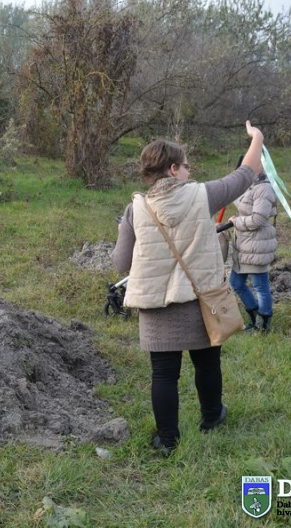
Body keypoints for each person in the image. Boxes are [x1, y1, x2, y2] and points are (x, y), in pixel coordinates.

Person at [111, 121, 264, 456]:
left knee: (164, 375)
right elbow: (247, 172)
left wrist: (128, 230)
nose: (189, 170)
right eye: (185, 165)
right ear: (172, 169)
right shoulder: (203, 195)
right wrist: (257, 138)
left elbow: (121, 263)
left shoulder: (135, 208)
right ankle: (212, 417)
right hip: (201, 301)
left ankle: (167, 440)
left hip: (155, 306)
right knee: (207, 364)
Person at [228, 168, 277, 333]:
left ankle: (263, 326)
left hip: (257, 246)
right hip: (244, 245)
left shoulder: (264, 188)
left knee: (260, 287)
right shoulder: (251, 185)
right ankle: (255, 318)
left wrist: (236, 221)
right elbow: (241, 203)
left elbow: (257, 220)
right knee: (236, 283)